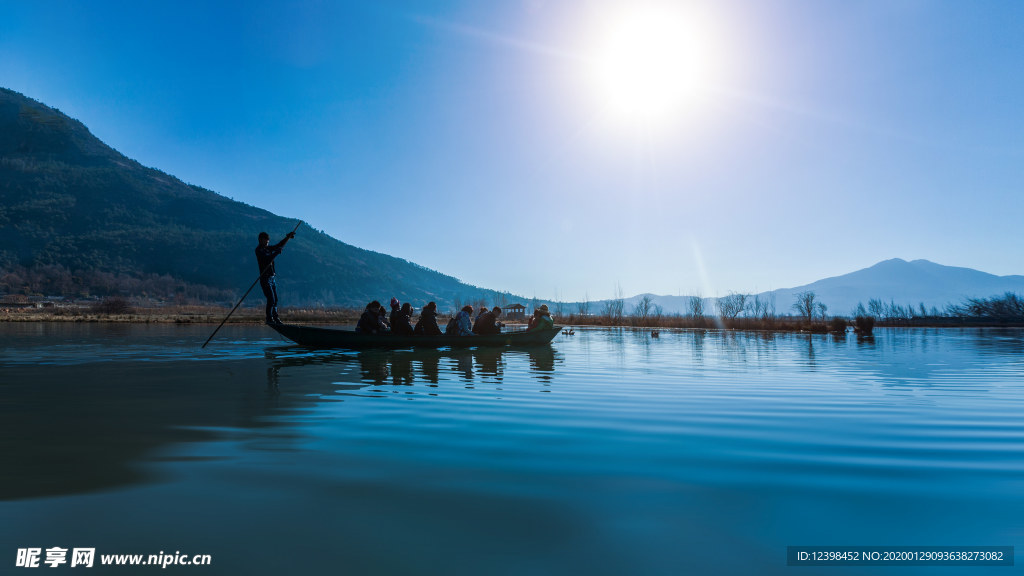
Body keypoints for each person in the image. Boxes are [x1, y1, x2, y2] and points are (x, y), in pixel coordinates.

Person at [255, 229, 296, 325]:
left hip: (271, 278)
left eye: (268, 242)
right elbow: (267, 259)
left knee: (275, 299)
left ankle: (276, 318)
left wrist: (287, 237)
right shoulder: (258, 250)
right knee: (271, 299)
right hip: (265, 278)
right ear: (261, 240)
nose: (267, 243)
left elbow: (279, 245)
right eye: (266, 241)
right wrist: (276, 253)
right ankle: (269, 318)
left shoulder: (268, 248)